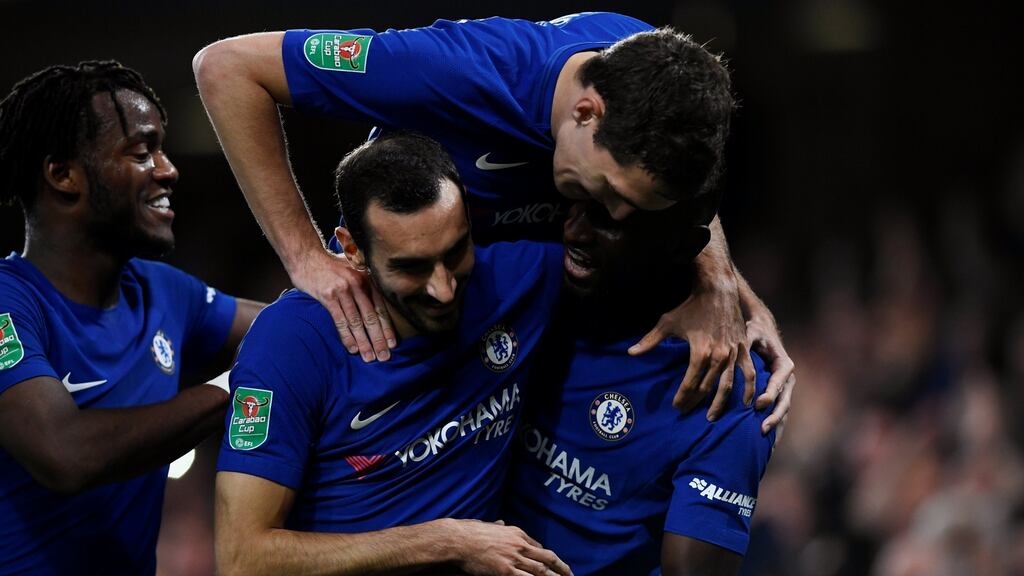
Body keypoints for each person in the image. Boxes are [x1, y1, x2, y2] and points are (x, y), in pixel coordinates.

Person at [192, 13, 794, 430]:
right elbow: (226, 68)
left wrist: (719, 281)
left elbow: (687, 198)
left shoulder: (655, 74)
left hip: (509, 347)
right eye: (609, 193)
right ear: (586, 112)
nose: (615, 219)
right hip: (385, 338)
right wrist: (304, 257)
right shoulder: (455, 70)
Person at [214, 132, 571, 576]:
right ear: (353, 249)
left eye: (455, 252)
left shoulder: (516, 281)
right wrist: (446, 541)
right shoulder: (293, 341)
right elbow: (242, 559)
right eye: (411, 267)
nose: (443, 289)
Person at [0, 61, 263, 575]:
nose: (168, 170)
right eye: (142, 153)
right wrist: (239, 386)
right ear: (63, 175)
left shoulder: (163, 292)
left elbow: (290, 328)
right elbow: (64, 454)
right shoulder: (11, 302)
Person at [504, 197, 777, 575]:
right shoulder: (528, 283)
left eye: (609, 221)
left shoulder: (732, 385)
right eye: (577, 200)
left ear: (682, 246)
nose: (575, 231)